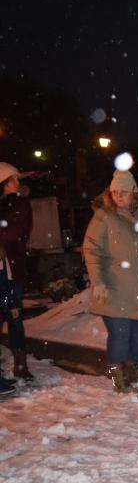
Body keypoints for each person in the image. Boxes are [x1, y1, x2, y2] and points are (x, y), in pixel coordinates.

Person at [82, 169, 138, 392]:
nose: (118, 196)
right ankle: (120, 381)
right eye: (114, 192)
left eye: (123, 191)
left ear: (134, 191)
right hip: (114, 288)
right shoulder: (104, 216)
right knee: (120, 335)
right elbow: (92, 251)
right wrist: (98, 282)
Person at [0, 163, 34, 385]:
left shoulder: (20, 204)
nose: (18, 181)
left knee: (14, 315)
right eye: (14, 178)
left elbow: (19, 232)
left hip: (11, 269)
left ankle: (21, 365)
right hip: (4, 269)